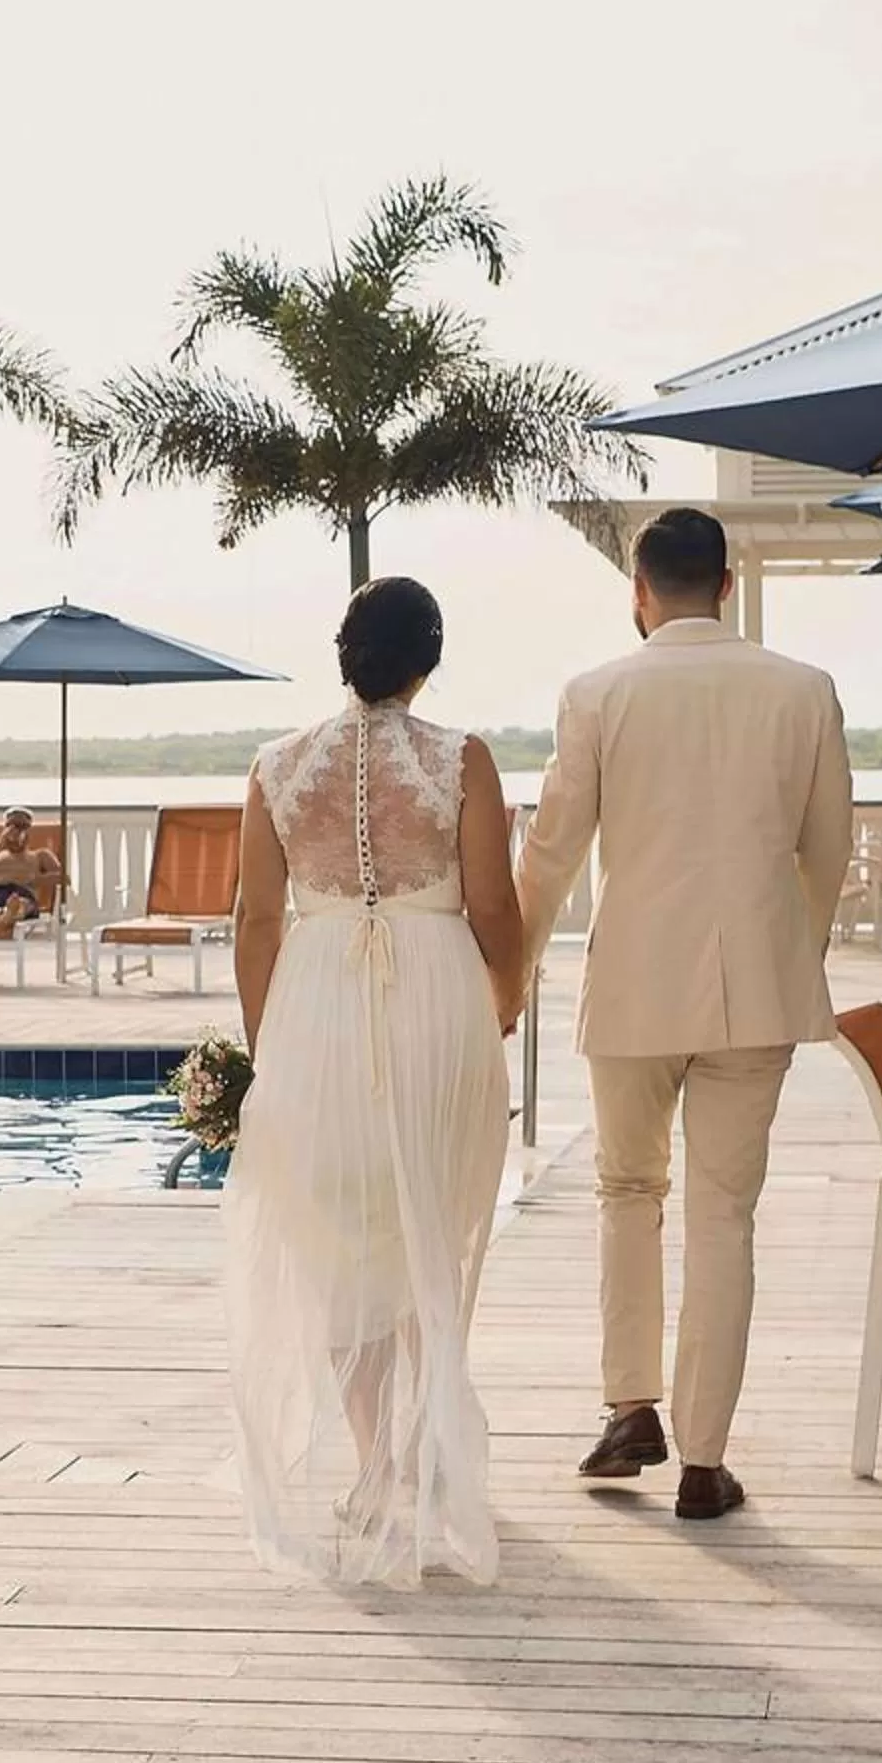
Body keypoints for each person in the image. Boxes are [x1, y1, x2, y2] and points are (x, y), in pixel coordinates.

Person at [516, 507, 854, 1524]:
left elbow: (553, 850)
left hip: (631, 987)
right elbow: (827, 849)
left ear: (639, 589)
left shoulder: (598, 692)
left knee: (627, 1191)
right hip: (756, 987)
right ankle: (704, 1462)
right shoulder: (803, 691)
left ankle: (632, 1408)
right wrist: (791, 947)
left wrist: (513, 968)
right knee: (724, 1214)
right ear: (729, 584)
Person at [228, 576, 520, 1586]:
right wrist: (508, 995)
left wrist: (267, 1046)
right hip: (436, 999)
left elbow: (256, 922)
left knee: (343, 1234)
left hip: (315, 1006)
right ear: (426, 659)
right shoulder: (460, 759)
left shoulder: (275, 766)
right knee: (427, 1223)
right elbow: (493, 903)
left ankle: (376, 1459)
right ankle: (424, 1452)